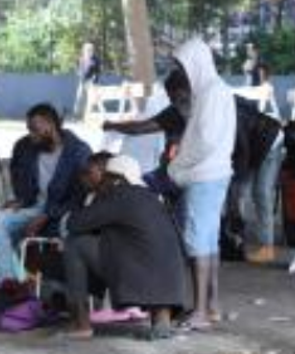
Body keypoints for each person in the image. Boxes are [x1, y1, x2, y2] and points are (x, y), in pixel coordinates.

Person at [62, 155, 187, 340]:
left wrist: (92, 202)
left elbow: (75, 224)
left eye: (107, 177)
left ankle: (81, 323)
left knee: (76, 244)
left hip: (141, 273)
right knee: (146, 251)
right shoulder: (153, 197)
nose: (103, 182)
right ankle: (162, 318)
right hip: (173, 282)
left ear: (117, 178)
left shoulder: (118, 194)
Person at [168, 39, 236, 330]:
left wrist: (177, 165)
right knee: (208, 241)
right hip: (214, 174)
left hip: (203, 175)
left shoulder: (211, 93)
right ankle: (211, 306)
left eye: (182, 66)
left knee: (197, 242)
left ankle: (199, 312)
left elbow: (205, 140)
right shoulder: (216, 90)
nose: (181, 73)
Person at [0, 103, 91, 283]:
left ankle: (59, 290)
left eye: (34, 129)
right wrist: (21, 200)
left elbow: (79, 198)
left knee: (67, 237)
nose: (31, 136)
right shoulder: (24, 146)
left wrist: (47, 215)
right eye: (29, 130)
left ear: (50, 124)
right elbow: (18, 176)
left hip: (63, 214)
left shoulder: (78, 151)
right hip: (33, 206)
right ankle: (9, 286)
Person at [103, 71, 191, 201]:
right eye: (172, 100)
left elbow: (139, 128)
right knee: (134, 189)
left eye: (179, 99)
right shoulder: (174, 112)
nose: (176, 104)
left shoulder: (207, 113)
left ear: (190, 92)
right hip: (169, 174)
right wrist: (113, 126)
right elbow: (139, 128)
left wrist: (112, 125)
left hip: (191, 178)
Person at [231, 95, 284, 264]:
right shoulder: (222, 105)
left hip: (269, 141)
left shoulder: (230, 114)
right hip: (256, 144)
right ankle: (238, 241)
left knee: (260, 193)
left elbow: (243, 149)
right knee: (242, 193)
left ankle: (266, 248)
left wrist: (238, 177)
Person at [74, 42, 102, 120]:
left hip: (92, 82)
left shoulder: (96, 59)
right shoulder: (80, 59)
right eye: (88, 49)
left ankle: (93, 116)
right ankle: (77, 116)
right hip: (82, 81)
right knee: (79, 98)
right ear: (84, 50)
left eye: (91, 49)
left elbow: (98, 71)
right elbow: (77, 68)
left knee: (93, 99)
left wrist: (94, 80)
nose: (89, 51)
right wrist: (78, 73)